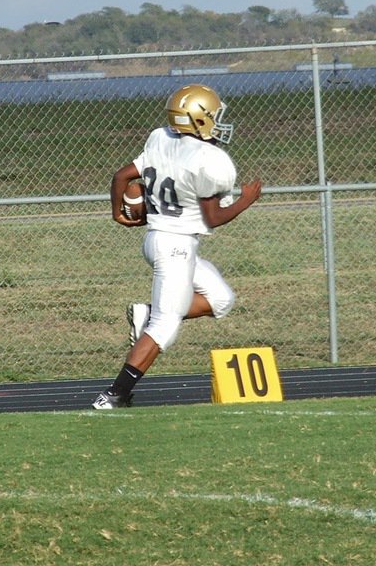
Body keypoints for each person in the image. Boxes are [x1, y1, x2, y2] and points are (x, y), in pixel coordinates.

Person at [93, 83, 262, 409]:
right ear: (199, 120)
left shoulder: (160, 138)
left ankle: (148, 313)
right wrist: (246, 201)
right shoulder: (209, 159)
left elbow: (121, 177)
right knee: (165, 326)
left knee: (221, 299)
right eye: (212, 116)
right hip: (176, 247)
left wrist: (118, 213)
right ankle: (114, 394)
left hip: (158, 239)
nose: (217, 121)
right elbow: (213, 218)